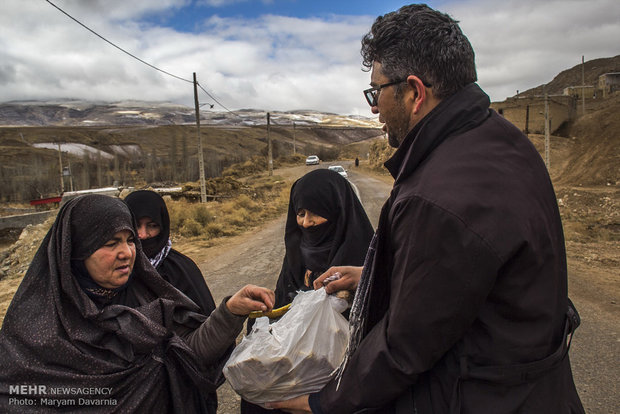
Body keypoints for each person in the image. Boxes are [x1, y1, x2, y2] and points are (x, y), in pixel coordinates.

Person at [269, 4, 584, 413]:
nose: (373, 108)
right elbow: (462, 278)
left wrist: (321, 402)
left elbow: (406, 346)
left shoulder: (439, 195)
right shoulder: (497, 139)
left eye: (376, 92)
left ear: (415, 92)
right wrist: (372, 276)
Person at [0, 194, 274, 413]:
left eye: (129, 240)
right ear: (76, 250)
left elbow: (189, 355)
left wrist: (229, 313)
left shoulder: (149, 296)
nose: (127, 252)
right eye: (110, 243)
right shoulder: (37, 326)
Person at [241, 168, 375, 414]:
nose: (306, 222)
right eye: (300, 213)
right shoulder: (295, 259)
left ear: (339, 213)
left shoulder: (366, 262)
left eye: (316, 213)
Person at [124, 190, 216, 315]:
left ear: (163, 226)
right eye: (136, 225)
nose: (143, 235)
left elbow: (207, 324)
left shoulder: (181, 269)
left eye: (152, 226)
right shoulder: (113, 271)